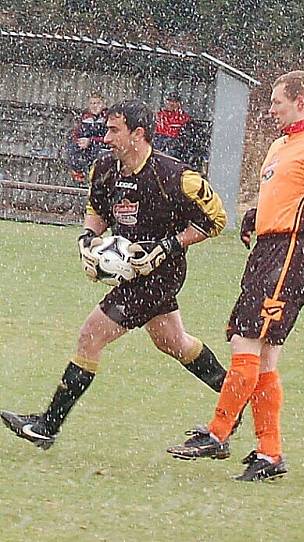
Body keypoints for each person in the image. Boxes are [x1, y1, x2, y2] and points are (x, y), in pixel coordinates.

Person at [1, 99, 229, 449]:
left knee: (90, 336)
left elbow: (215, 221)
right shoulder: (104, 169)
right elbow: (97, 208)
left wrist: (169, 245)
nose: (105, 137)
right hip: (133, 274)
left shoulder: (177, 177)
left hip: (159, 276)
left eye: (113, 130)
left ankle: (47, 427)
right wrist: (88, 240)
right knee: (174, 343)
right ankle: (235, 399)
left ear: (138, 134)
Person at [166, 70, 304, 482]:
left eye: (277, 102)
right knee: (264, 355)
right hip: (269, 251)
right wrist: (258, 215)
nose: (270, 110)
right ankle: (269, 453)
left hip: (291, 252)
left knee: (244, 338)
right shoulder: (279, 146)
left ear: (301, 101)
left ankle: (217, 433)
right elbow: (283, 192)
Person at [65, 93, 108, 183]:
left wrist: (91, 141)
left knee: (98, 154)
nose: (94, 106)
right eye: (92, 103)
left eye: (97, 103)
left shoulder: (107, 118)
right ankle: (79, 174)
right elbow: (75, 133)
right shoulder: (85, 117)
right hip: (86, 147)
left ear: (103, 105)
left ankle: (96, 177)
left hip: (101, 147)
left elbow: (109, 138)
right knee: (72, 148)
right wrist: (78, 141)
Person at [153, 93, 192, 158]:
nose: (172, 104)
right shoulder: (159, 115)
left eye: (174, 101)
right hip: (159, 141)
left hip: (174, 144)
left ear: (179, 104)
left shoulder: (184, 117)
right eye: (170, 101)